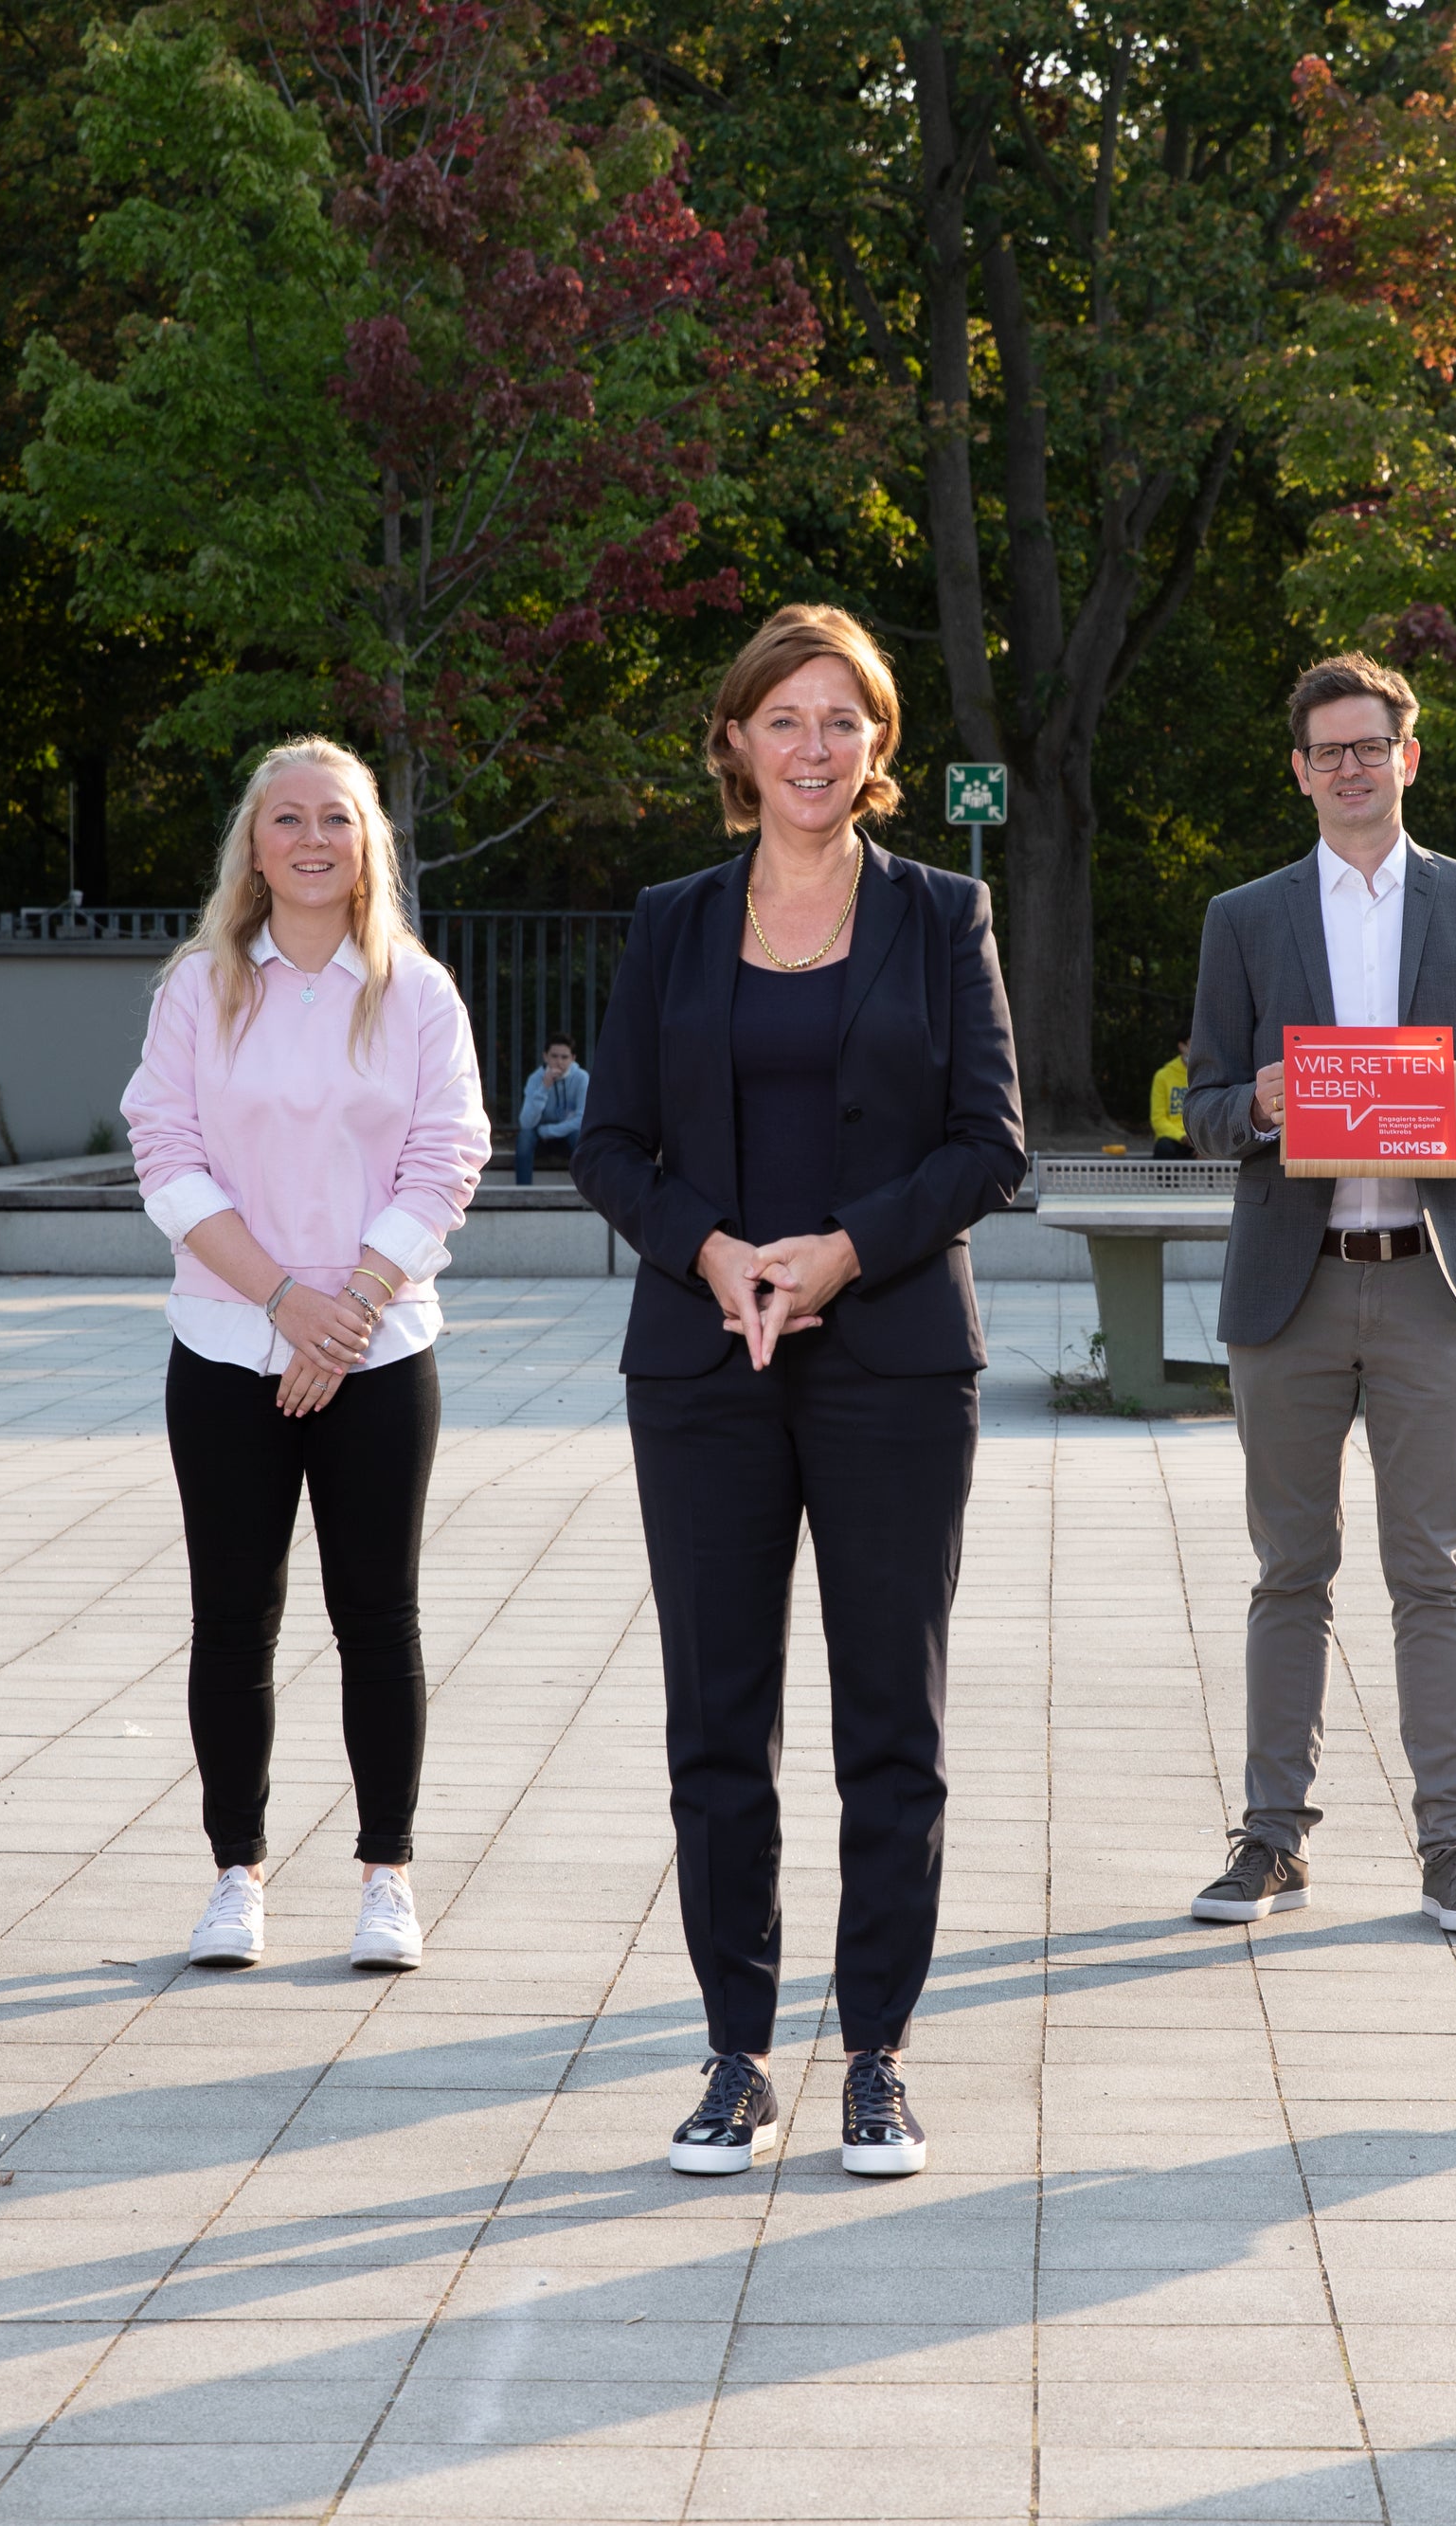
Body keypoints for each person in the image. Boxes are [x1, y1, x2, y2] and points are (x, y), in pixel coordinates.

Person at [574, 604, 1025, 2183]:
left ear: (878, 742)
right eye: (786, 718)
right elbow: (606, 1142)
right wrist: (713, 1253)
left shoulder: (945, 914)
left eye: (844, 719)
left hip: (894, 1363)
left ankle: (878, 2054)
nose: (814, 746)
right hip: (703, 1368)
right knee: (719, 1723)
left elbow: (990, 1142)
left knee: (892, 1722)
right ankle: (737, 2053)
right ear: (736, 740)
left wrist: (841, 1252)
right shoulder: (674, 921)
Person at [1179, 656, 1456, 1938]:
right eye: (1327, 749)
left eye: (1369, 745)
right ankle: (1271, 1838)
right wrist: (1255, 1103)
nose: (1350, 766)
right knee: (1290, 1571)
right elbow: (1201, 1105)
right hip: (1291, 1289)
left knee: (1431, 1569)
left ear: (1408, 756)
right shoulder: (1245, 916)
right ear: (1299, 769)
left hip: (1432, 1286)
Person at [123, 738, 488, 1977]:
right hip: (228, 1340)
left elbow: (447, 1156)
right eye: (288, 818)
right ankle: (236, 1874)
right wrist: (286, 1303)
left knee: (377, 1616)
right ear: (256, 844)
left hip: (380, 1349)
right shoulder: (198, 989)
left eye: (336, 817)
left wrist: (349, 1311)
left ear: (368, 842)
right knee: (233, 1618)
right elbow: (166, 1155)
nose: (313, 838)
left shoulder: (418, 993)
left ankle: (388, 1877)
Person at [511, 1035, 587, 1183]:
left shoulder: (581, 1078)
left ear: (573, 1058)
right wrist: (544, 1087)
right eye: (554, 1056)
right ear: (545, 1056)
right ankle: (522, 1193)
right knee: (524, 1138)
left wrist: (548, 1131)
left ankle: (585, 1191)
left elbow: (582, 1120)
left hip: (566, 1135)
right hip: (540, 1138)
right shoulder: (535, 1079)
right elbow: (526, 1122)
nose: (559, 1062)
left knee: (580, 1138)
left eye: (564, 1057)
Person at [1148, 1035, 1193, 1157]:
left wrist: (1203, 1143)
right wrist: (1183, 1137)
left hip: (1202, 1140)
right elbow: (1158, 1120)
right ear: (1181, 1046)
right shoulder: (1163, 1076)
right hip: (1175, 1139)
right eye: (1194, 1043)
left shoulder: (1210, 1074)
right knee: (1164, 1148)